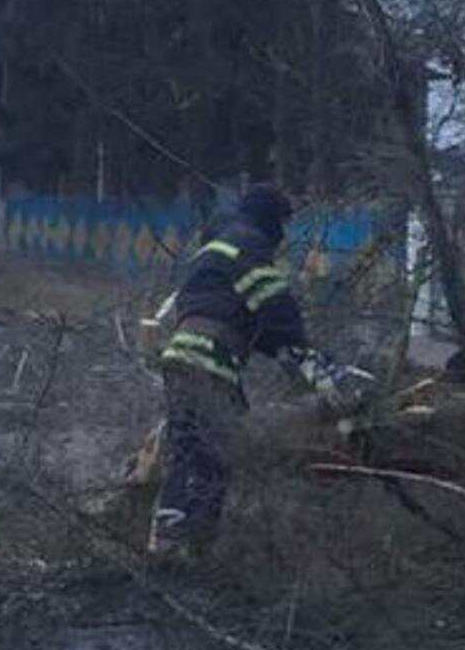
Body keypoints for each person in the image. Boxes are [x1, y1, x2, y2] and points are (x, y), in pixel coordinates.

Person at [148, 184, 353, 561]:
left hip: (179, 358)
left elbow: (236, 316)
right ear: (270, 220)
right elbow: (279, 317)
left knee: (185, 447)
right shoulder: (251, 251)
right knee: (217, 455)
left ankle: (167, 535)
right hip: (210, 362)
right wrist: (317, 367)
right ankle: (193, 550)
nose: (283, 235)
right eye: (282, 224)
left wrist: (274, 345)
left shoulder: (213, 250)